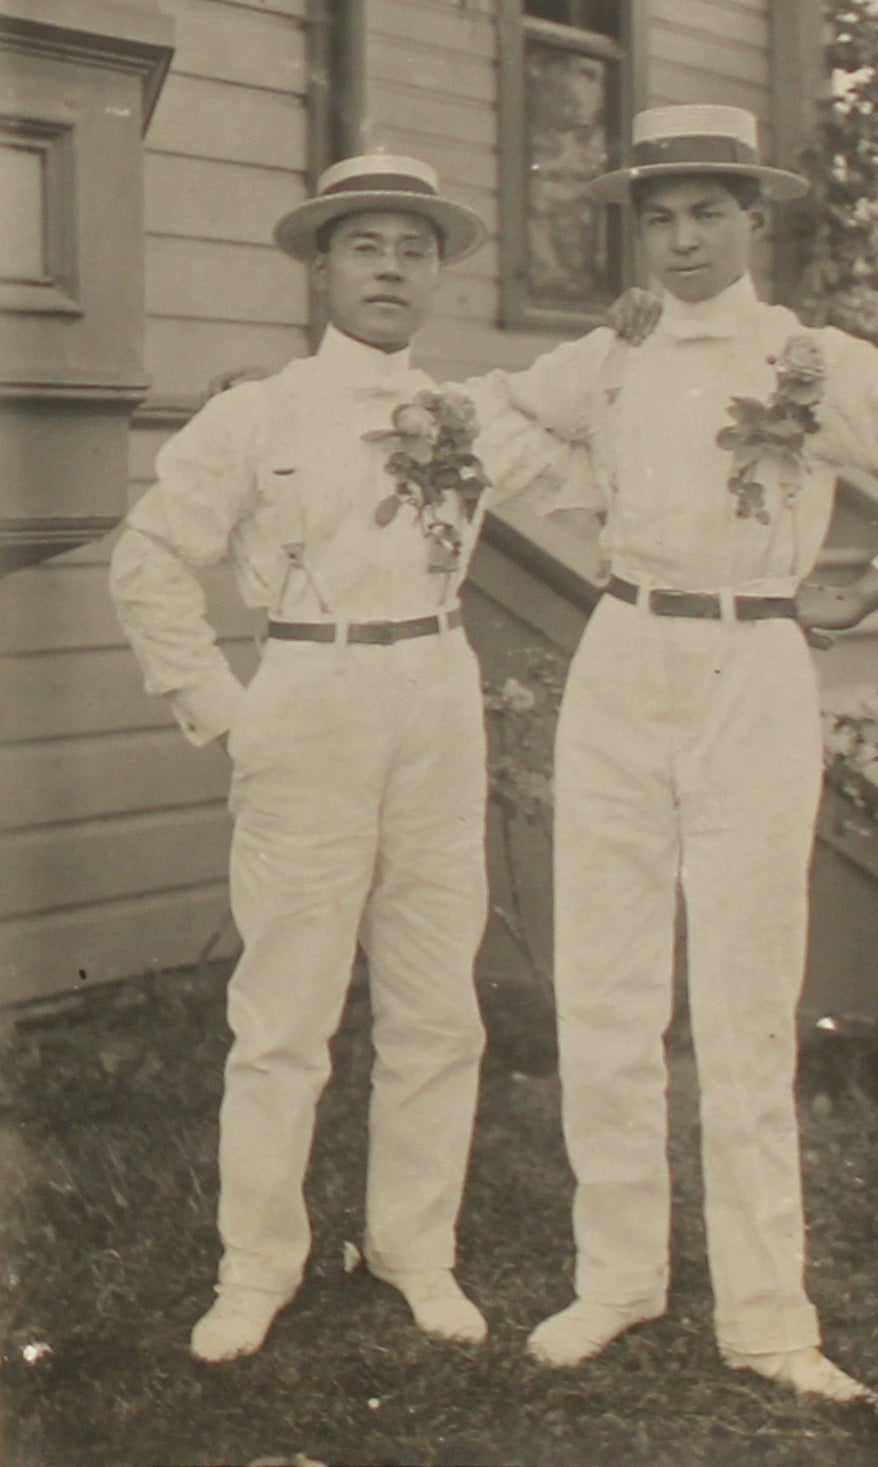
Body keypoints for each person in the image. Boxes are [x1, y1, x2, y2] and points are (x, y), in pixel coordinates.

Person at [486, 104, 878, 1402]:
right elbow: (492, 425)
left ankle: (768, 1318)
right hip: (621, 653)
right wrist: (595, 485)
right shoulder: (610, 355)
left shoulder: (813, 361)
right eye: (658, 214)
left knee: (740, 997)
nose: (680, 238)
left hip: (752, 669)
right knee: (608, 983)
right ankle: (615, 1275)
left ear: (753, 218)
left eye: (705, 211)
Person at [109, 153, 579, 1364]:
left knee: (435, 1001)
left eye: (413, 249)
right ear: (321, 266)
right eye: (365, 246)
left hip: (433, 691)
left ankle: (415, 1248)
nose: (390, 269)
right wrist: (223, 705)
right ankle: (258, 1265)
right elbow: (151, 556)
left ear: (434, 275)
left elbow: (590, 440)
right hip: (306, 696)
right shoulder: (255, 413)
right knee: (285, 1009)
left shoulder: (469, 416)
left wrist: (630, 338)